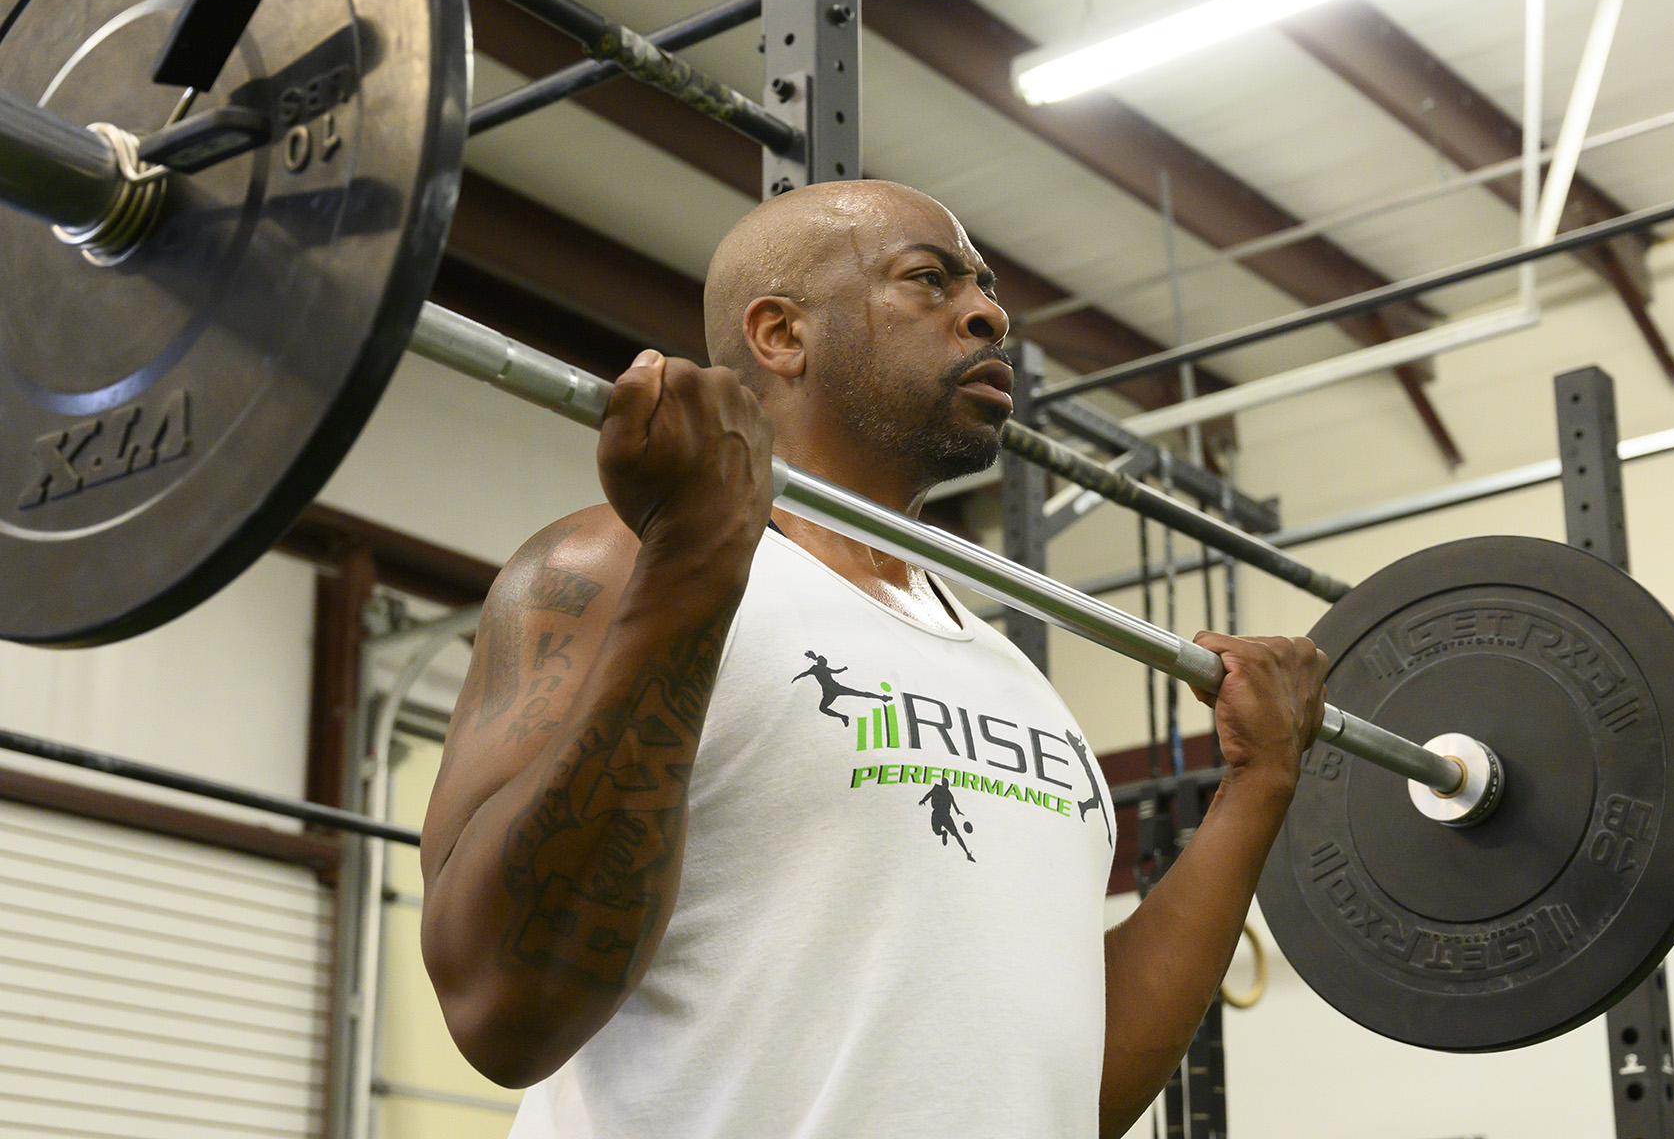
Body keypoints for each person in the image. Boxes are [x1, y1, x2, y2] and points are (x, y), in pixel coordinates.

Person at [419, 180, 1328, 1139]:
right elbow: (499, 1010)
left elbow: (1069, 1087)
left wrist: (1259, 783)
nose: (989, 315)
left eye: (984, 291)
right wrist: (690, 561)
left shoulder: (1015, 682)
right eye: (928, 280)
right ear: (779, 335)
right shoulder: (608, 562)